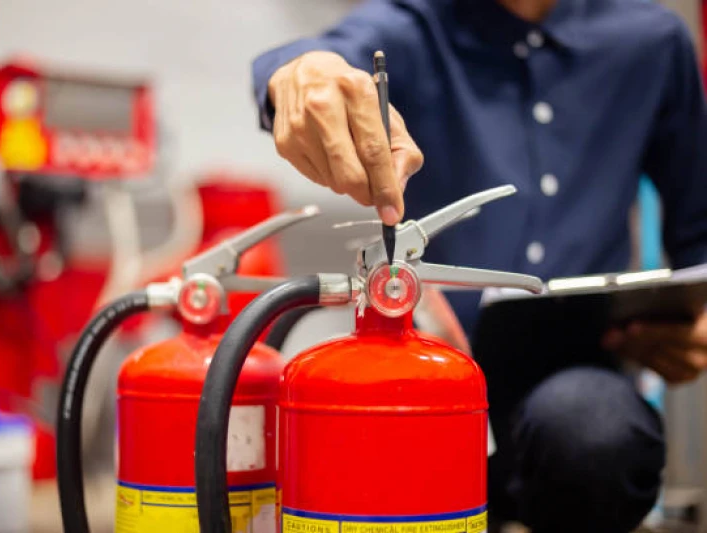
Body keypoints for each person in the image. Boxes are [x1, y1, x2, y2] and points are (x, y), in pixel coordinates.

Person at [251, 0, 707, 531]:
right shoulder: (410, 27)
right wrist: (303, 74)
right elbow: (310, 60)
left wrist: (694, 324)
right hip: (419, 388)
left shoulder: (650, 41)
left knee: (596, 436)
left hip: (582, 394)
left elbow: (698, 234)